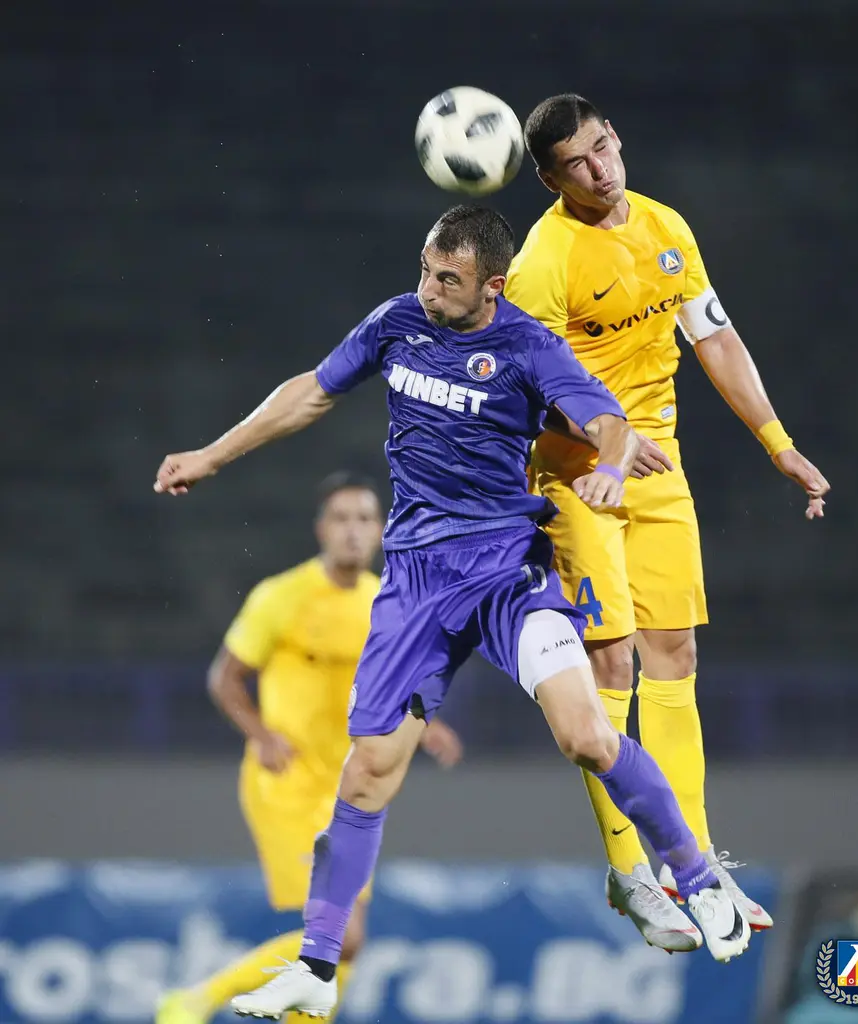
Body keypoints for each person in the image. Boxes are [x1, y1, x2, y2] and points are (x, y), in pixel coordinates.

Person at [153, 205, 750, 1019]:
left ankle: (699, 879)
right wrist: (211, 454)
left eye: (447, 278)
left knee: (585, 735)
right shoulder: (396, 323)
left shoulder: (529, 347)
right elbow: (310, 393)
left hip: (507, 573)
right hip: (415, 586)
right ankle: (315, 968)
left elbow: (609, 421)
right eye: (424, 270)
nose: (427, 288)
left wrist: (609, 468)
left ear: (492, 286)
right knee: (367, 773)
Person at [504, 93, 830, 947]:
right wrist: (608, 444)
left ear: (616, 138)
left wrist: (776, 442)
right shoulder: (543, 263)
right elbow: (531, 389)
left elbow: (712, 336)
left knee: (674, 650)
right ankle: (631, 872)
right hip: (577, 475)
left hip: (657, 466)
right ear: (550, 180)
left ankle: (697, 866)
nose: (599, 169)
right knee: (609, 661)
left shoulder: (664, 226)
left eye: (603, 147)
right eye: (575, 164)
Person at [156, 472, 464, 1024]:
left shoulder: (386, 602)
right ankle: (197, 999)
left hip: (352, 792)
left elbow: (399, 685)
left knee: (344, 948)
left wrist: (428, 725)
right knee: (341, 936)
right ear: (321, 529)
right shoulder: (281, 596)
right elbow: (224, 678)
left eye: (364, 519)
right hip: (289, 787)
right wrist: (261, 735)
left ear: (382, 530)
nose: (353, 530)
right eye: (341, 518)